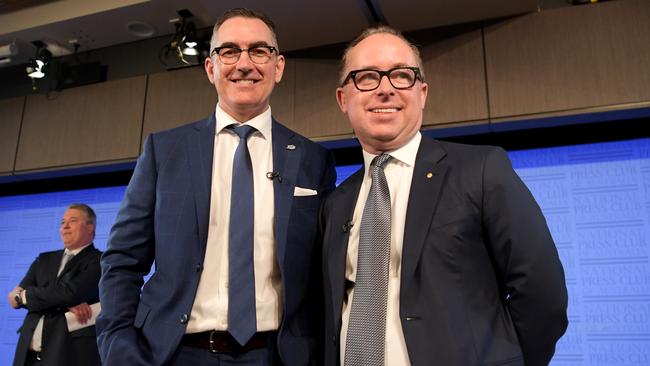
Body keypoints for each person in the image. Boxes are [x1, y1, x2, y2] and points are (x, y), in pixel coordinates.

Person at [96, 8, 336, 366]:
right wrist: (118, 345)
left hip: (276, 356)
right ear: (211, 68)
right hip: (174, 354)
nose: (244, 64)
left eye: (259, 51)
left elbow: (321, 273)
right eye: (229, 51)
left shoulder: (312, 159)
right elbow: (123, 260)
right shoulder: (165, 151)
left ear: (279, 66)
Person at [320, 25, 568, 366]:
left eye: (401, 76)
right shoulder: (336, 203)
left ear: (422, 92)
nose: (385, 89)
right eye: (366, 77)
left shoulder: (481, 169)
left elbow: (543, 292)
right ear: (343, 98)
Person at [8, 203, 102, 366]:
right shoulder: (44, 259)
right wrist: (65, 305)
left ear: (90, 228)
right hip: (27, 357)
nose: (65, 226)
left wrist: (26, 296)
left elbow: (69, 293)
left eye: (73, 220)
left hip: (68, 355)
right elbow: (13, 299)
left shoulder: (100, 261)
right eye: (62, 222)